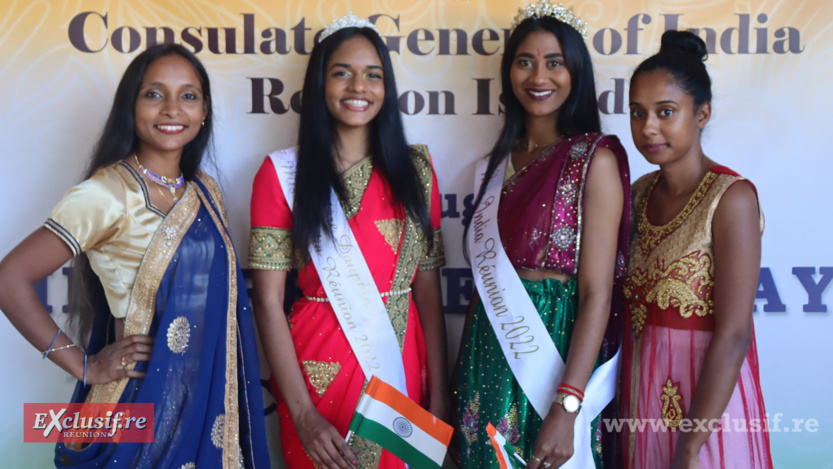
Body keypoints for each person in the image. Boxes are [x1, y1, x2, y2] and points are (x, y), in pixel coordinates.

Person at [0, 44, 269, 468]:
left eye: (189, 95)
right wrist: (85, 368)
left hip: (203, 402)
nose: (172, 109)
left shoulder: (204, 192)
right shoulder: (105, 194)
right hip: (136, 403)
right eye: (154, 94)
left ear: (204, 112)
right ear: (132, 105)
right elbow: (9, 278)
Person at [248, 13, 449, 469]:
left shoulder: (417, 171)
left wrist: (438, 393)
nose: (359, 86)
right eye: (342, 72)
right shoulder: (281, 173)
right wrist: (302, 413)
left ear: (386, 87)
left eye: (373, 75)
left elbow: (429, 291)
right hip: (316, 372)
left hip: (402, 362)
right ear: (320, 83)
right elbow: (267, 302)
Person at [456, 1, 631, 468]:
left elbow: (597, 294)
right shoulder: (493, 166)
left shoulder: (596, 160)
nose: (539, 77)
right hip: (489, 348)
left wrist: (567, 403)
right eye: (525, 62)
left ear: (575, 71)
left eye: (554, 63)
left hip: (555, 352)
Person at [621, 30, 772, 469]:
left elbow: (734, 333)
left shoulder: (732, 198)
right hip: (640, 393)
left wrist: (692, 442)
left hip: (708, 406)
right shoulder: (637, 194)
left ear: (701, 113)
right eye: (637, 113)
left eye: (665, 112)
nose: (648, 127)